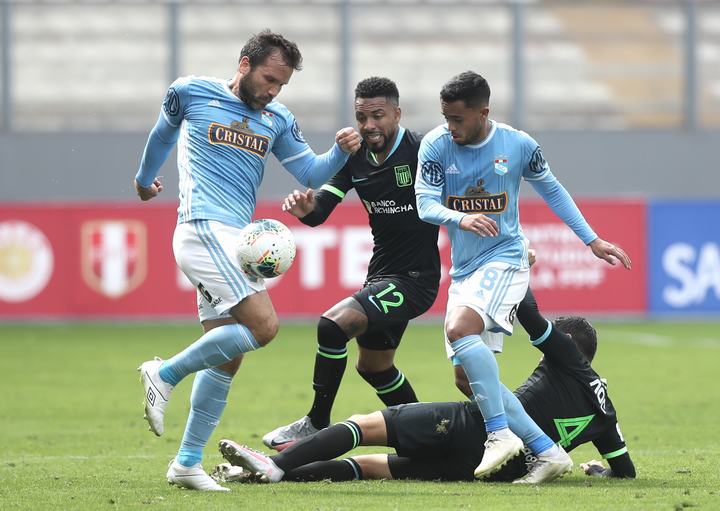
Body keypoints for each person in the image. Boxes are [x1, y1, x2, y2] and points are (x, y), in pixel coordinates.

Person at [133, 30, 361, 492]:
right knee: (264, 327)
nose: (273, 90)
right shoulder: (191, 91)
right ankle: (164, 373)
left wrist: (339, 151)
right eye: (269, 79)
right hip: (201, 227)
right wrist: (143, 179)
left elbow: (310, 171)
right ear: (244, 65)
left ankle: (187, 463)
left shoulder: (277, 118)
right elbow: (162, 135)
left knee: (228, 355)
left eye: (282, 84)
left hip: (235, 239)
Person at [413, 71, 632, 481]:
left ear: (483, 113)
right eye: (446, 118)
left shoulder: (517, 145)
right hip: (465, 270)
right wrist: (460, 217)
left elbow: (552, 190)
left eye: (458, 119)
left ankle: (499, 434)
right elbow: (425, 204)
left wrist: (591, 239)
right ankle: (547, 451)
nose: (450, 127)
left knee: (460, 329)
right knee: (466, 379)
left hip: (507, 259)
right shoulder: (436, 145)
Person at [212, 288, 636, 483]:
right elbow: (625, 470)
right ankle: (250, 475)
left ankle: (275, 466)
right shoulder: (607, 411)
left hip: (474, 428)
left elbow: (529, 314)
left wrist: (517, 264)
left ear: (567, 347)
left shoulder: (567, 359)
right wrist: (600, 470)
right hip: (486, 471)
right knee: (371, 467)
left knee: (362, 425)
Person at [262, 77, 441, 450]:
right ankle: (427, 441)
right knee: (374, 367)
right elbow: (319, 212)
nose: (369, 125)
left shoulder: (422, 150)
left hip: (416, 279)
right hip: (381, 275)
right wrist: (306, 208)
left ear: (397, 114)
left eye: (378, 115)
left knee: (332, 325)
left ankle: (316, 421)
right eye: (361, 117)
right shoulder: (354, 157)